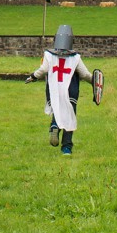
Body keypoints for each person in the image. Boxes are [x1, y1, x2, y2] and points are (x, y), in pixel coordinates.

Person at [26, 24, 92, 155]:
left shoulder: (49, 55)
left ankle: (55, 125)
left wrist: (33, 77)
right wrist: (95, 81)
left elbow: (43, 70)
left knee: (57, 108)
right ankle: (66, 148)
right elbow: (85, 74)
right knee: (69, 115)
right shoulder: (75, 57)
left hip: (54, 89)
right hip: (71, 90)